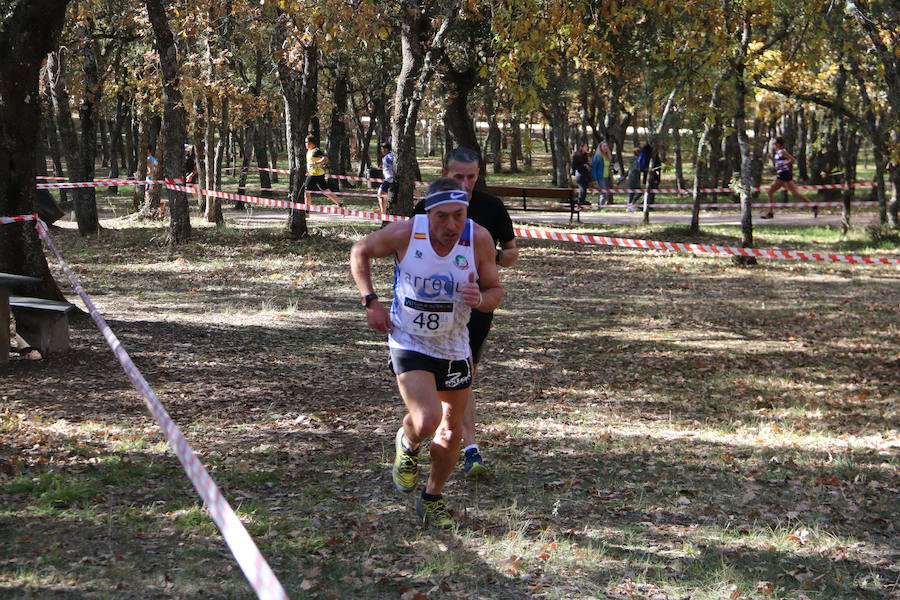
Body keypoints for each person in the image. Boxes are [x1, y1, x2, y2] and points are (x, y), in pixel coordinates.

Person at [350, 178, 504, 529]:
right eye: (442, 217)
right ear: (428, 213)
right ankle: (408, 441)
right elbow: (360, 251)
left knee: (451, 431)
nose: (451, 225)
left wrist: (480, 299)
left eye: (459, 215)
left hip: (453, 345)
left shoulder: (478, 238)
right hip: (409, 339)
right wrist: (370, 302)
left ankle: (432, 498)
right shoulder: (406, 233)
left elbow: (496, 289)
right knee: (427, 419)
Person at [414, 147, 518, 478]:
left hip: (475, 305)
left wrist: (489, 260)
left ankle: (469, 447)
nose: (467, 182)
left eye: (472, 176)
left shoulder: (491, 207)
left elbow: (512, 253)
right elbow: (408, 250)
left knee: (465, 373)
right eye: (459, 176)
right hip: (430, 307)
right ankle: (421, 432)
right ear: (445, 173)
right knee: (431, 376)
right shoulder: (425, 208)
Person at [761, 137, 813, 219]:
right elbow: (780, 161)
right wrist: (773, 159)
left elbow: (792, 159)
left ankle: (770, 212)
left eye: (774, 144)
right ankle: (813, 206)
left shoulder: (782, 152)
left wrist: (783, 165)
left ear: (778, 144)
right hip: (785, 174)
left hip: (783, 174)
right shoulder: (778, 152)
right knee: (795, 194)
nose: (773, 145)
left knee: (770, 192)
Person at [304, 135, 341, 207]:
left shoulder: (316, 151)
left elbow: (325, 159)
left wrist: (315, 163)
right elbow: (310, 162)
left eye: (306, 142)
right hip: (318, 174)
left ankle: (306, 211)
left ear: (311, 143)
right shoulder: (309, 150)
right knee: (326, 191)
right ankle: (341, 204)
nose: (305, 144)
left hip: (314, 175)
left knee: (306, 192)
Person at [591, 141, 615, 209]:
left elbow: (607, 166)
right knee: (604, 193)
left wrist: (611, 167)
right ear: (600, 147)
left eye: (606, 146)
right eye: (603, 146)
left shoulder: (607, 156)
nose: (605, 148)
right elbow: (594, 168)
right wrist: (594, 179)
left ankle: (600, 206)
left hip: (607, 177)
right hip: (600, 177)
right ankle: (601, 208)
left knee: (606, 193)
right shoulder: (598, 156)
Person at [571, 143, 592, 208]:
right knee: (582, 189)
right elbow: (574, 166)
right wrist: (583, 165)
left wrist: (589, 166)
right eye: (585, 146)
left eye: (587, 146)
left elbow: (586, 163)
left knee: (584, 189)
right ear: (581, 147)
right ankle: (580, 203)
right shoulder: (577, 155)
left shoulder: (585, 155)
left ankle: (582, 202)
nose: (587, 148)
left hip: (585, 174)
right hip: (580, 174)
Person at [376, 141, 394, 214]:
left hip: (389, 179)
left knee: (379, 194)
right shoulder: (389, 155)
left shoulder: (388, 156)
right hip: (390, 179)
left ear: (386, 149)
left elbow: (392, 161)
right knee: (383, 195)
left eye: (382, 149)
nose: (381, 151)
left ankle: (383, 212)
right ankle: (384, 212)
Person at [624, 147, 643, 212]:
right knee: (639, 192)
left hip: (632, 178)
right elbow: (636, 169)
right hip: (634, 179)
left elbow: (629, 169)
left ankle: (630, 206)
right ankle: (631, 205)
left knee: (631, 193)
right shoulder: (637, 160)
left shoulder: (632, 160)